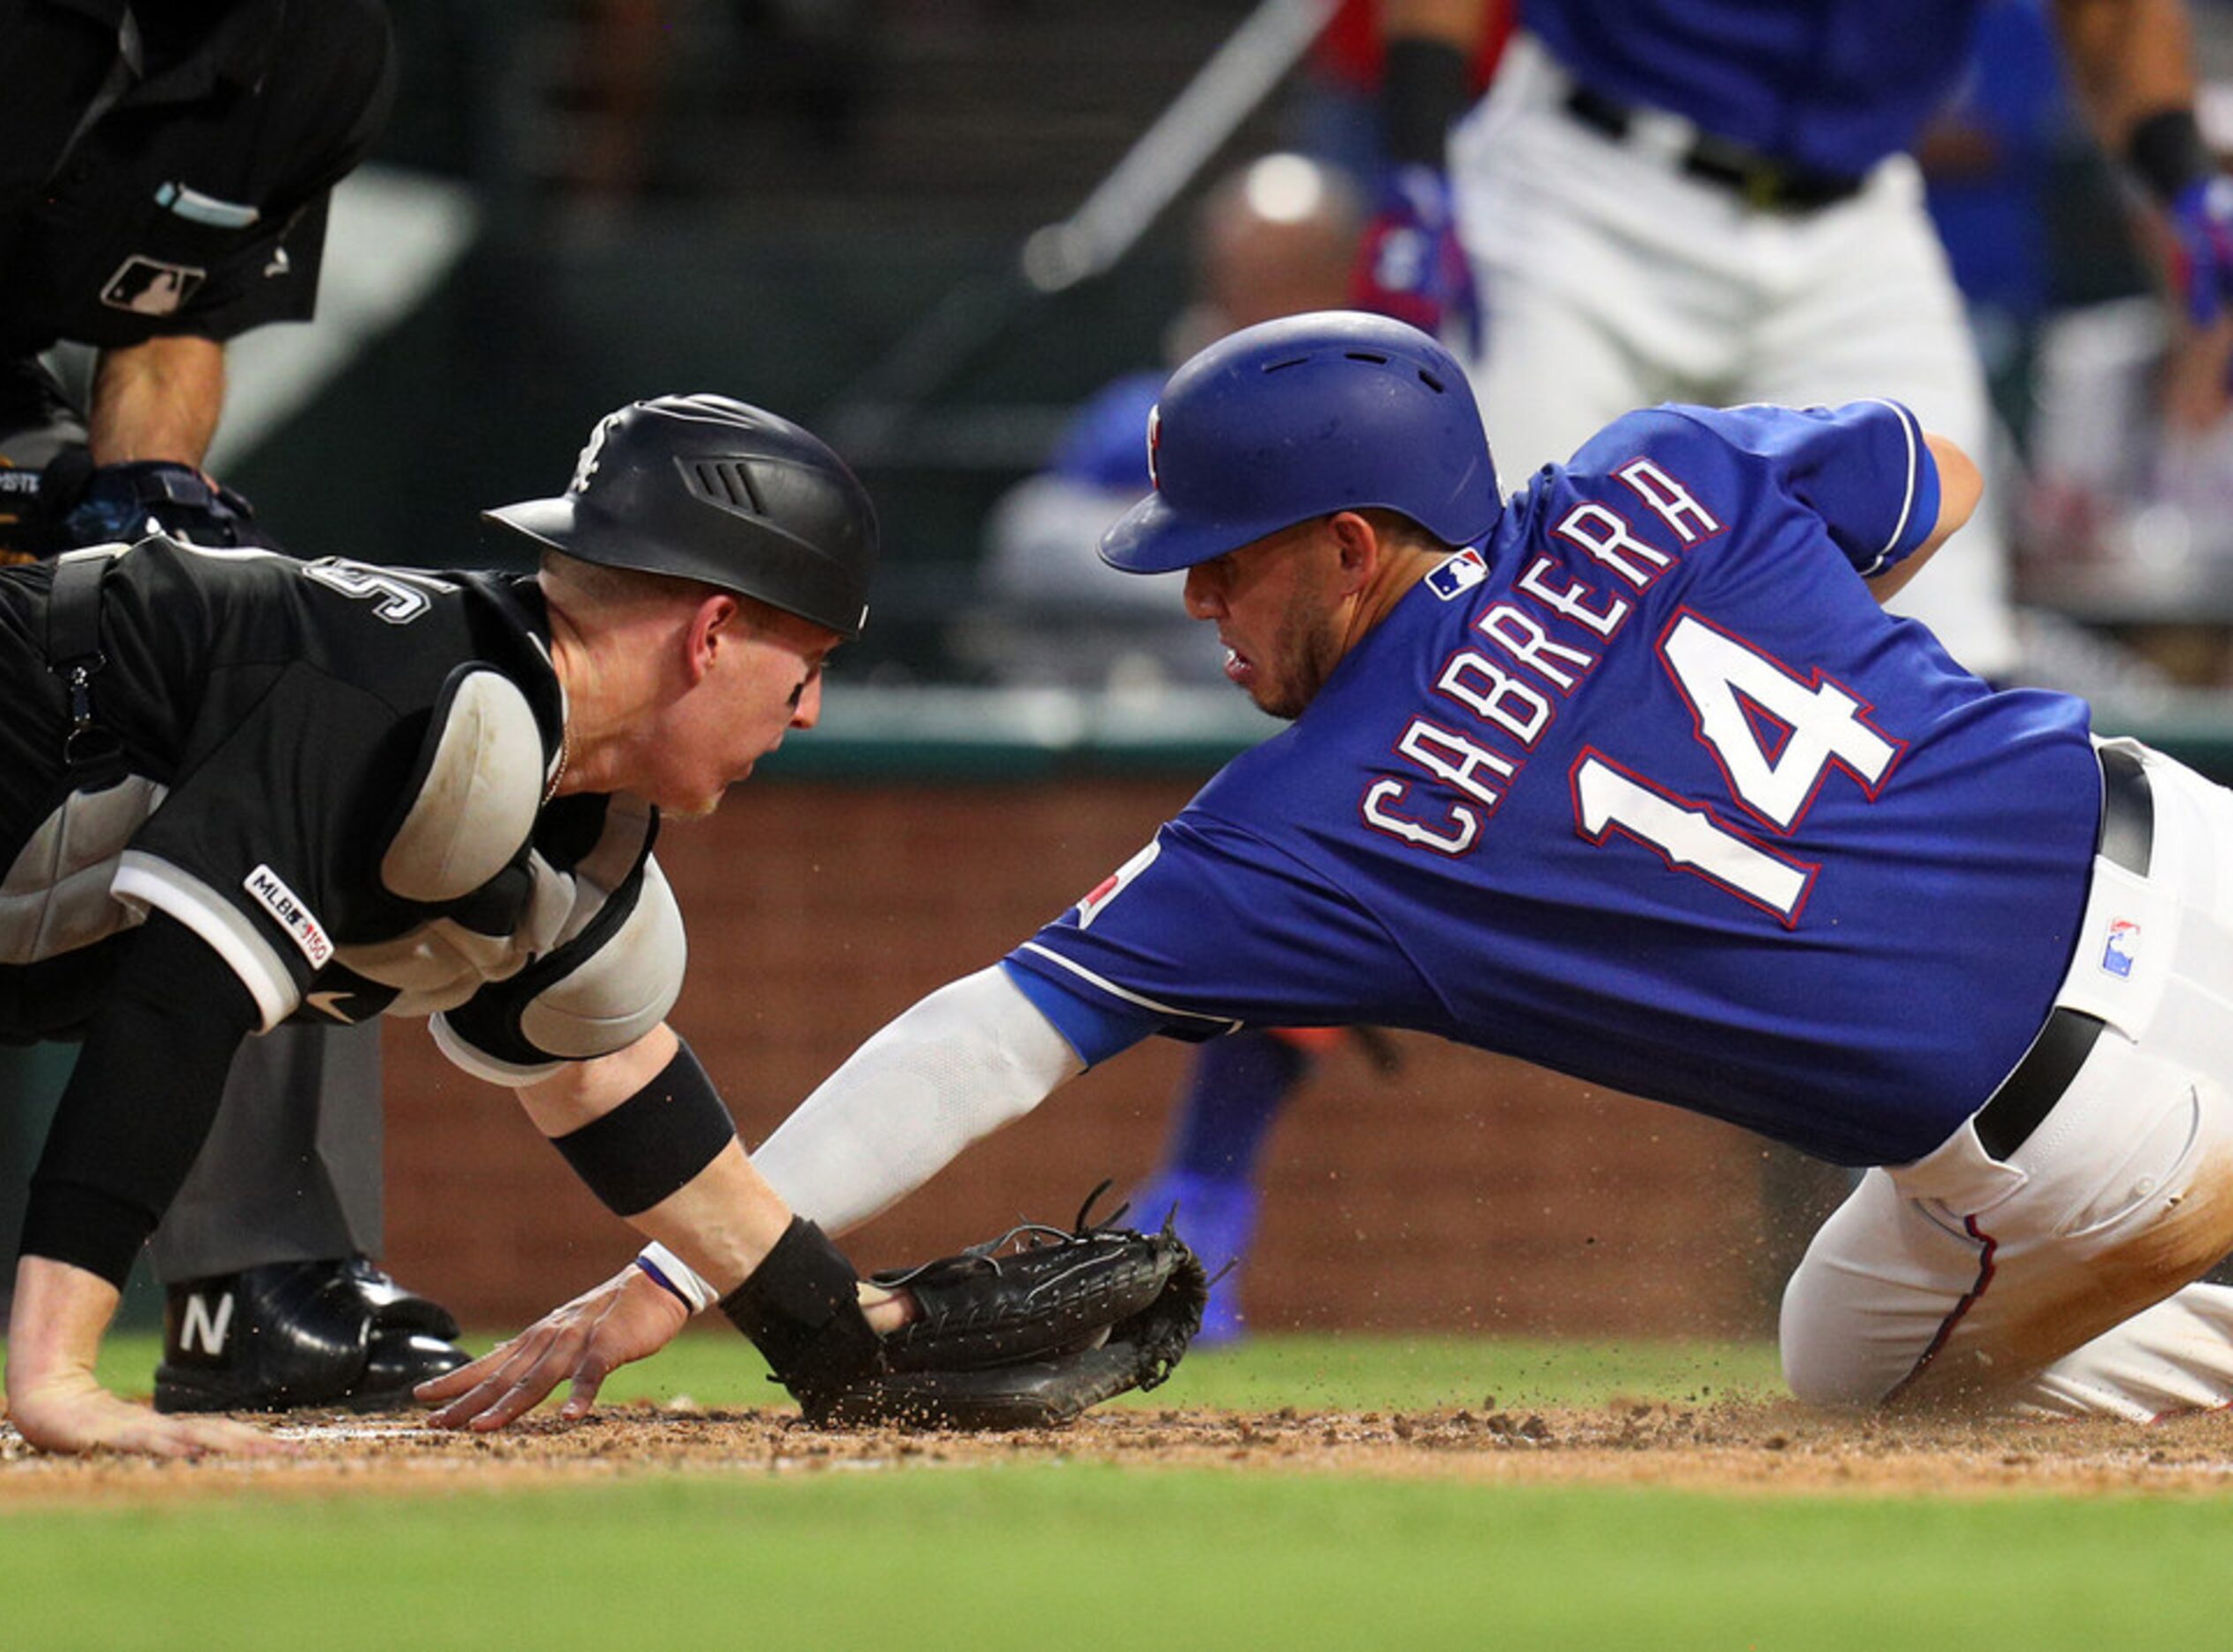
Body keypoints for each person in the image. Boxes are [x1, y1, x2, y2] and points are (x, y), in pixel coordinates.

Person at [427, 311, 2233, 1434]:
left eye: (1224, 565)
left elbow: (984, 1042)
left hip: (2060, 1124)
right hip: (2168, 833)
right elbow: (1937, 473)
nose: (1197, 603)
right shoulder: (1658, 473)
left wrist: (682, 1277)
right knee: (1839, 1319)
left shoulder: (1313, 818)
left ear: (1352, 545)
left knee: (1864, 1397)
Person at [0, 392, 882, 1455]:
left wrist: (829, 1324)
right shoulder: (396, 691)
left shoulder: (541, 788)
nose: (807, 711)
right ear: (713, 633)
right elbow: (175, 1005)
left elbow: (597, 1074)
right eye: (806, 667)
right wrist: (56, 1377)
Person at [0, 1, 464, 1413]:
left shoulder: (316, 50)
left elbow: (180, 308)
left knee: (270, 666)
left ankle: (264, 1278)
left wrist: (145, 503)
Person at [1358, 0, 2233, 686]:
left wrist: (2188, 184)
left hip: (1853, 216)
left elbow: (2111, 13)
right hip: (1581, 182)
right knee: (1479, 621)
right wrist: (1418, 157)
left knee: (1942, 654)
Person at [976, 152, 1386, 1343]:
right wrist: (1244, 588)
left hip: (1345, 749)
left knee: (1314, 935)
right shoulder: (1149, 413)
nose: (1250, 295)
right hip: (1178, 727)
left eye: (1284, 275)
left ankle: (1199, 1207)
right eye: (1239, 274)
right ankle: (1190, 1211)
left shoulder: (1392, 405)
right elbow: (1035, 546)